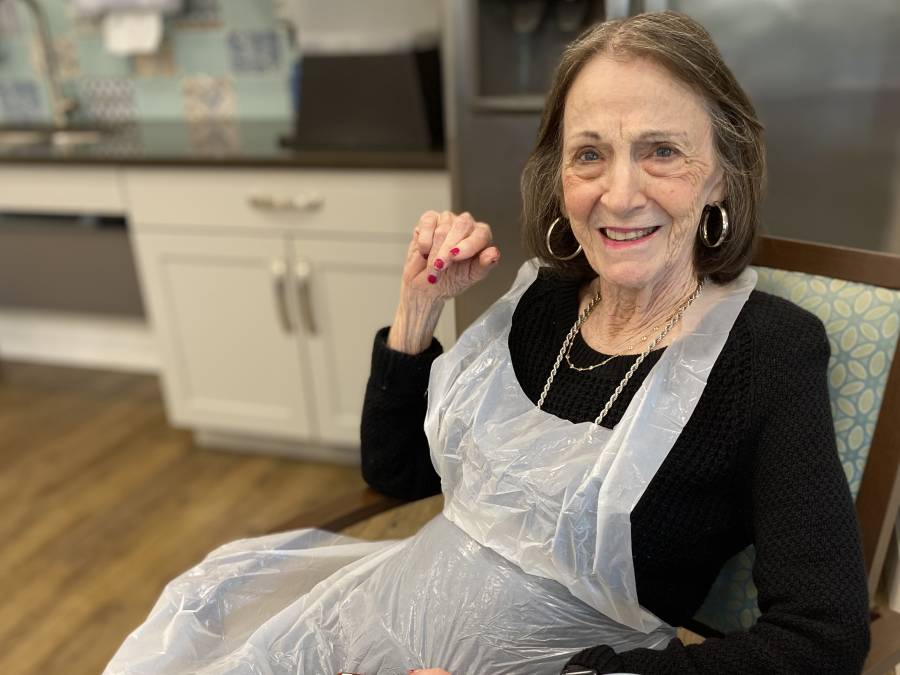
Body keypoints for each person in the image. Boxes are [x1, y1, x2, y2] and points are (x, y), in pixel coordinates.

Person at [104, 11, 870, 675]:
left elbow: (820, 638)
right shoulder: (542, 301)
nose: (620, 192)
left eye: (663, 151)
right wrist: (419, 309)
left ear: (723, 178)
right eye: (590, 153)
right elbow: (400, 473)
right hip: (352, 625)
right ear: (558, 175)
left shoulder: (766, 353)